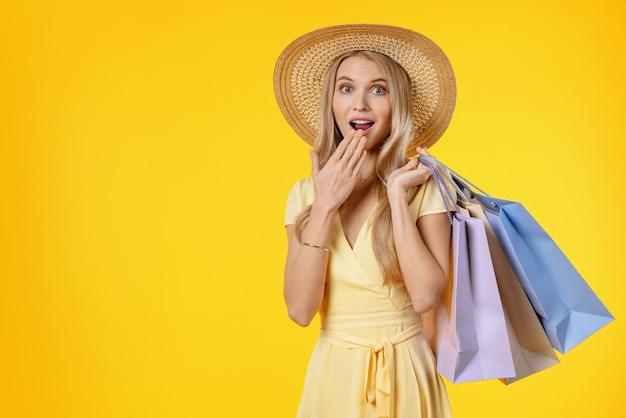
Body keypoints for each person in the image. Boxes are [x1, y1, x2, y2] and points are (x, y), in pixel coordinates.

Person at [274, 24, 457, 418]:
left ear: (398, 106)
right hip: (334, 377)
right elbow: (300, 311)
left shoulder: (423, 187)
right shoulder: (305, 196)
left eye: (378, 89)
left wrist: (395, 193)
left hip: (406, 371)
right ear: (332, 103)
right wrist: (324, 205)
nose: (360, 104)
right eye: (346, 88)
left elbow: (426, 297)